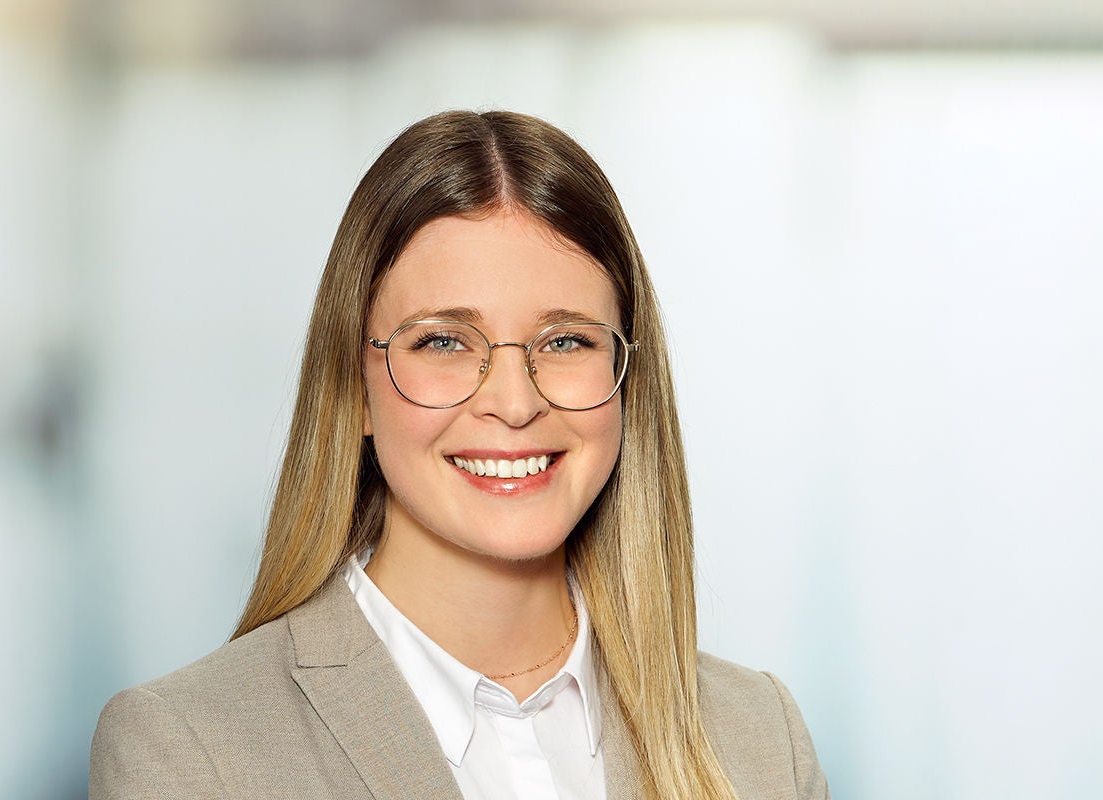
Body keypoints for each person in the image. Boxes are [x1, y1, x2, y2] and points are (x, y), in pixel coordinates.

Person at [89, 110, 829, 800]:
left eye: (567, 340)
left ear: (626, 376)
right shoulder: (191, 751)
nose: (514, 402)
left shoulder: (761, 739)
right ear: (354, 388)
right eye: (443, 341)